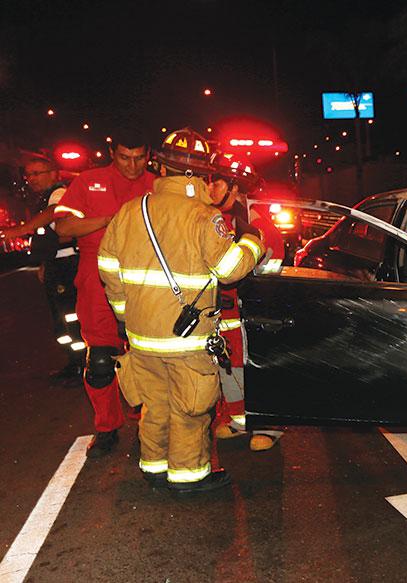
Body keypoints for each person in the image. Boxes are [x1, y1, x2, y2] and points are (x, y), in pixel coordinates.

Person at [98, 128, 266, 493]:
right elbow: (229, 270)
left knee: (154, 405)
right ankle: (189, 477)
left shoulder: (130, 212)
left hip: (142, 337)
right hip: (187, 340)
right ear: (202, 173)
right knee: (190, 408)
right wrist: (253, 243)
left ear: (159, 167)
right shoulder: (204, 216)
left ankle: (153, 467)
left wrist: (126, 315)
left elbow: (108, 268)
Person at [55, 131, 156, 456]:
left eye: (139, 158)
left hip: (147, 280)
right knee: (100, 360)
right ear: (112, 152)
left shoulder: (158, 184)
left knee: (149, 359)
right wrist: (111, 220)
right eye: (125, 157)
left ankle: (150, 427)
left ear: (148, 155)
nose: (132, 165)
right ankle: (106, 428)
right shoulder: (88, 182)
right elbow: (63, 228)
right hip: (96, 278)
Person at [209, 153, 285, 451]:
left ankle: (268, 425)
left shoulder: (256, 223)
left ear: (235, 188)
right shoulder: (214, 219)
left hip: (250, 311)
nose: (210, 188)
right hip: (222, 310)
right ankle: (238, 420)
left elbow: (270, 266)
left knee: (257, 366)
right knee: (229, 367)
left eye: (216, 183)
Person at [1, 155, 83, 380]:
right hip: (56, 264)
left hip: (66, 265)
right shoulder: (44, 198)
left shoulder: (59, 193)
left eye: (37, 173)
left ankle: (80, 365)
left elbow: (56, 213)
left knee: (69, 317)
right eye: (29, 174)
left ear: (54, 174)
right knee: (61, 318)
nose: (32, 179)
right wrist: (45, 264)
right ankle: (73, 362)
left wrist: (22, 229)